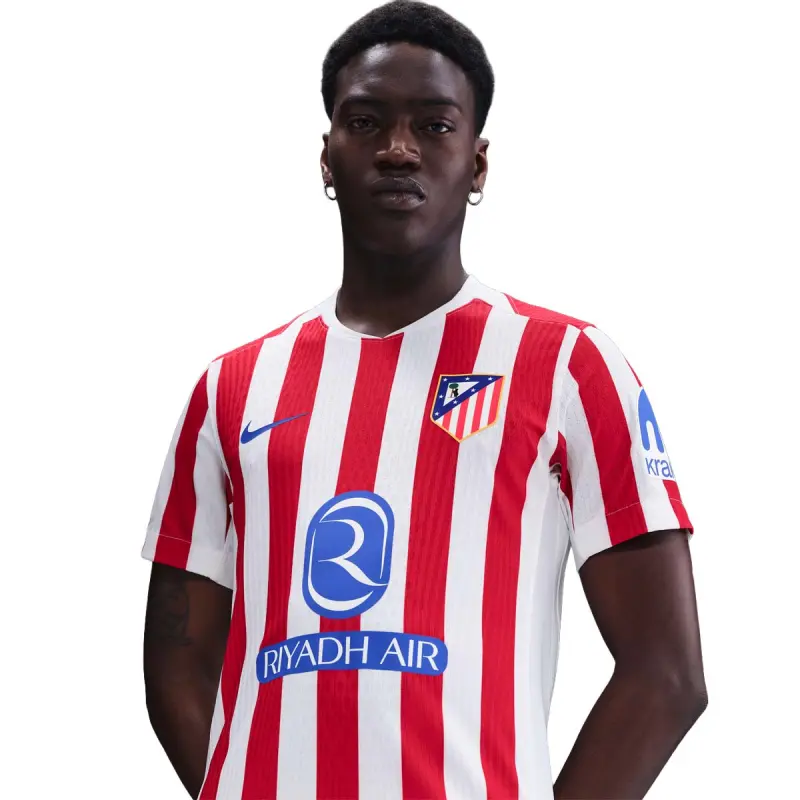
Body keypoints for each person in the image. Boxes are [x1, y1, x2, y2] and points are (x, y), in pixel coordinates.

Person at [142, 2, 707, 798]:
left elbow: (667, 673)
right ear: (326, 159)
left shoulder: (567, 365)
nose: (398, 148)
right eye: (365, 122)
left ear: (477, 165)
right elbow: (176, 656)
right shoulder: (231, 386)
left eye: (434, 126)